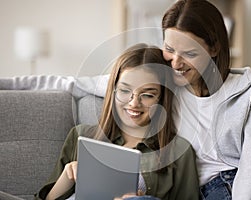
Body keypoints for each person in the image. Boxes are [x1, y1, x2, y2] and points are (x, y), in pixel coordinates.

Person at [160, 0, 251, 200]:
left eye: (189, 54)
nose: (176, 63)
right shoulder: (162, 86)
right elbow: (120, 81)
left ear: (214, 48)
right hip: (211, 191)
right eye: (169, 49)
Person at [34, 43, 200, 200]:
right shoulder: (81, 136)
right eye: (125, 90)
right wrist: (67, 178)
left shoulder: (179, 152)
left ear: (162, 98)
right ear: (113, 91)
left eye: (148, 95)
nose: (134, 103)